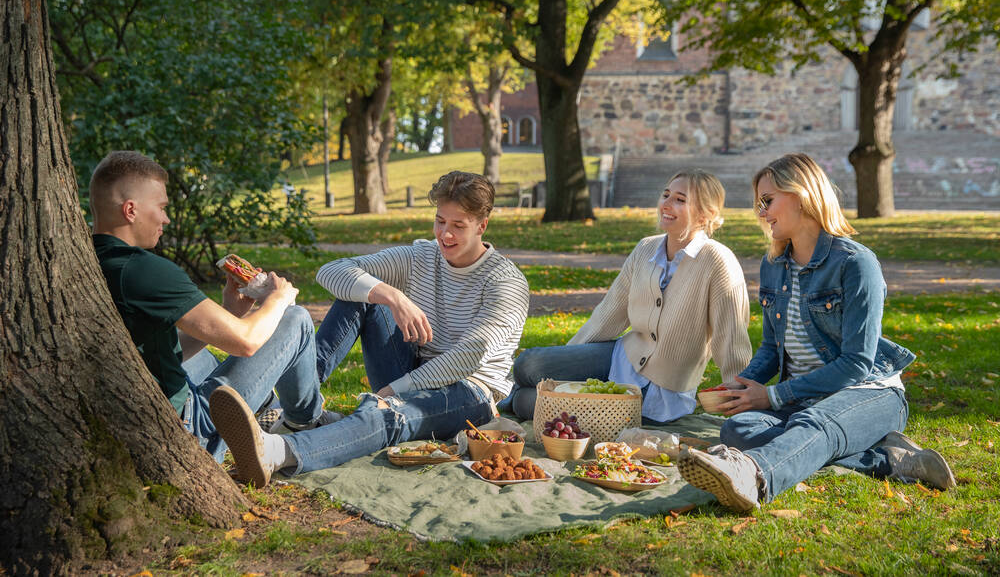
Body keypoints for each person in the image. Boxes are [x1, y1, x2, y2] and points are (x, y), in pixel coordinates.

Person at [210, 171, 530, 487]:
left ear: (482, 226)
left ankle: (280, 451)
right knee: (364, 294)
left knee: (391, 413)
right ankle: (300, 414)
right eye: (440, 221)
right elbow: (332, 271)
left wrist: (394, 391)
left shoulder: (506, 283)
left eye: (458, 226)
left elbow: (468, 357)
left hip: (469, 392)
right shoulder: (421, 256)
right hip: (410, 367)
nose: (445, 234)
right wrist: (392, 295)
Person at [677, 153, 955, 512]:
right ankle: (887, 459)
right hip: (803, 399)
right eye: (758, 204)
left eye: (768, 200)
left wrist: (774, 396)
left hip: (867, 393)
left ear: (803, 194)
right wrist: (740, 386)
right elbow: (771, 348)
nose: (760, 212)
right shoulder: (774, 264)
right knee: (738, 431)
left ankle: (752, 475)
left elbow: (855, 364)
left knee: (813, 424)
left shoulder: (856, 264)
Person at [90, 151, 336, 464]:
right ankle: (302, 422)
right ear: (130, 210)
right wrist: (278, 299)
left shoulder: (92, 259)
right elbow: (245, 342)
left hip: (144, 410)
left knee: (203, 356)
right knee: (296, 319)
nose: (166, 219)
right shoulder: (145, 270)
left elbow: (155, 349)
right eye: (162, 208)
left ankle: (268, 415)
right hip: (191, 429)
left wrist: (230, 312)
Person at [506, 170, 753, 424]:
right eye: (666, 195)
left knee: (528, 402)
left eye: (680, 199)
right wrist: (564, 366)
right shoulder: (646, 247)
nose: (666, 204)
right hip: (620, 357)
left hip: (660, 394)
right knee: (528, 364)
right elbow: (609, 313)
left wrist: (739, 402)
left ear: (706, 214)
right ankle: (509, 395)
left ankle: (510, 399)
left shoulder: (717, 261)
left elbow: (731, 338)